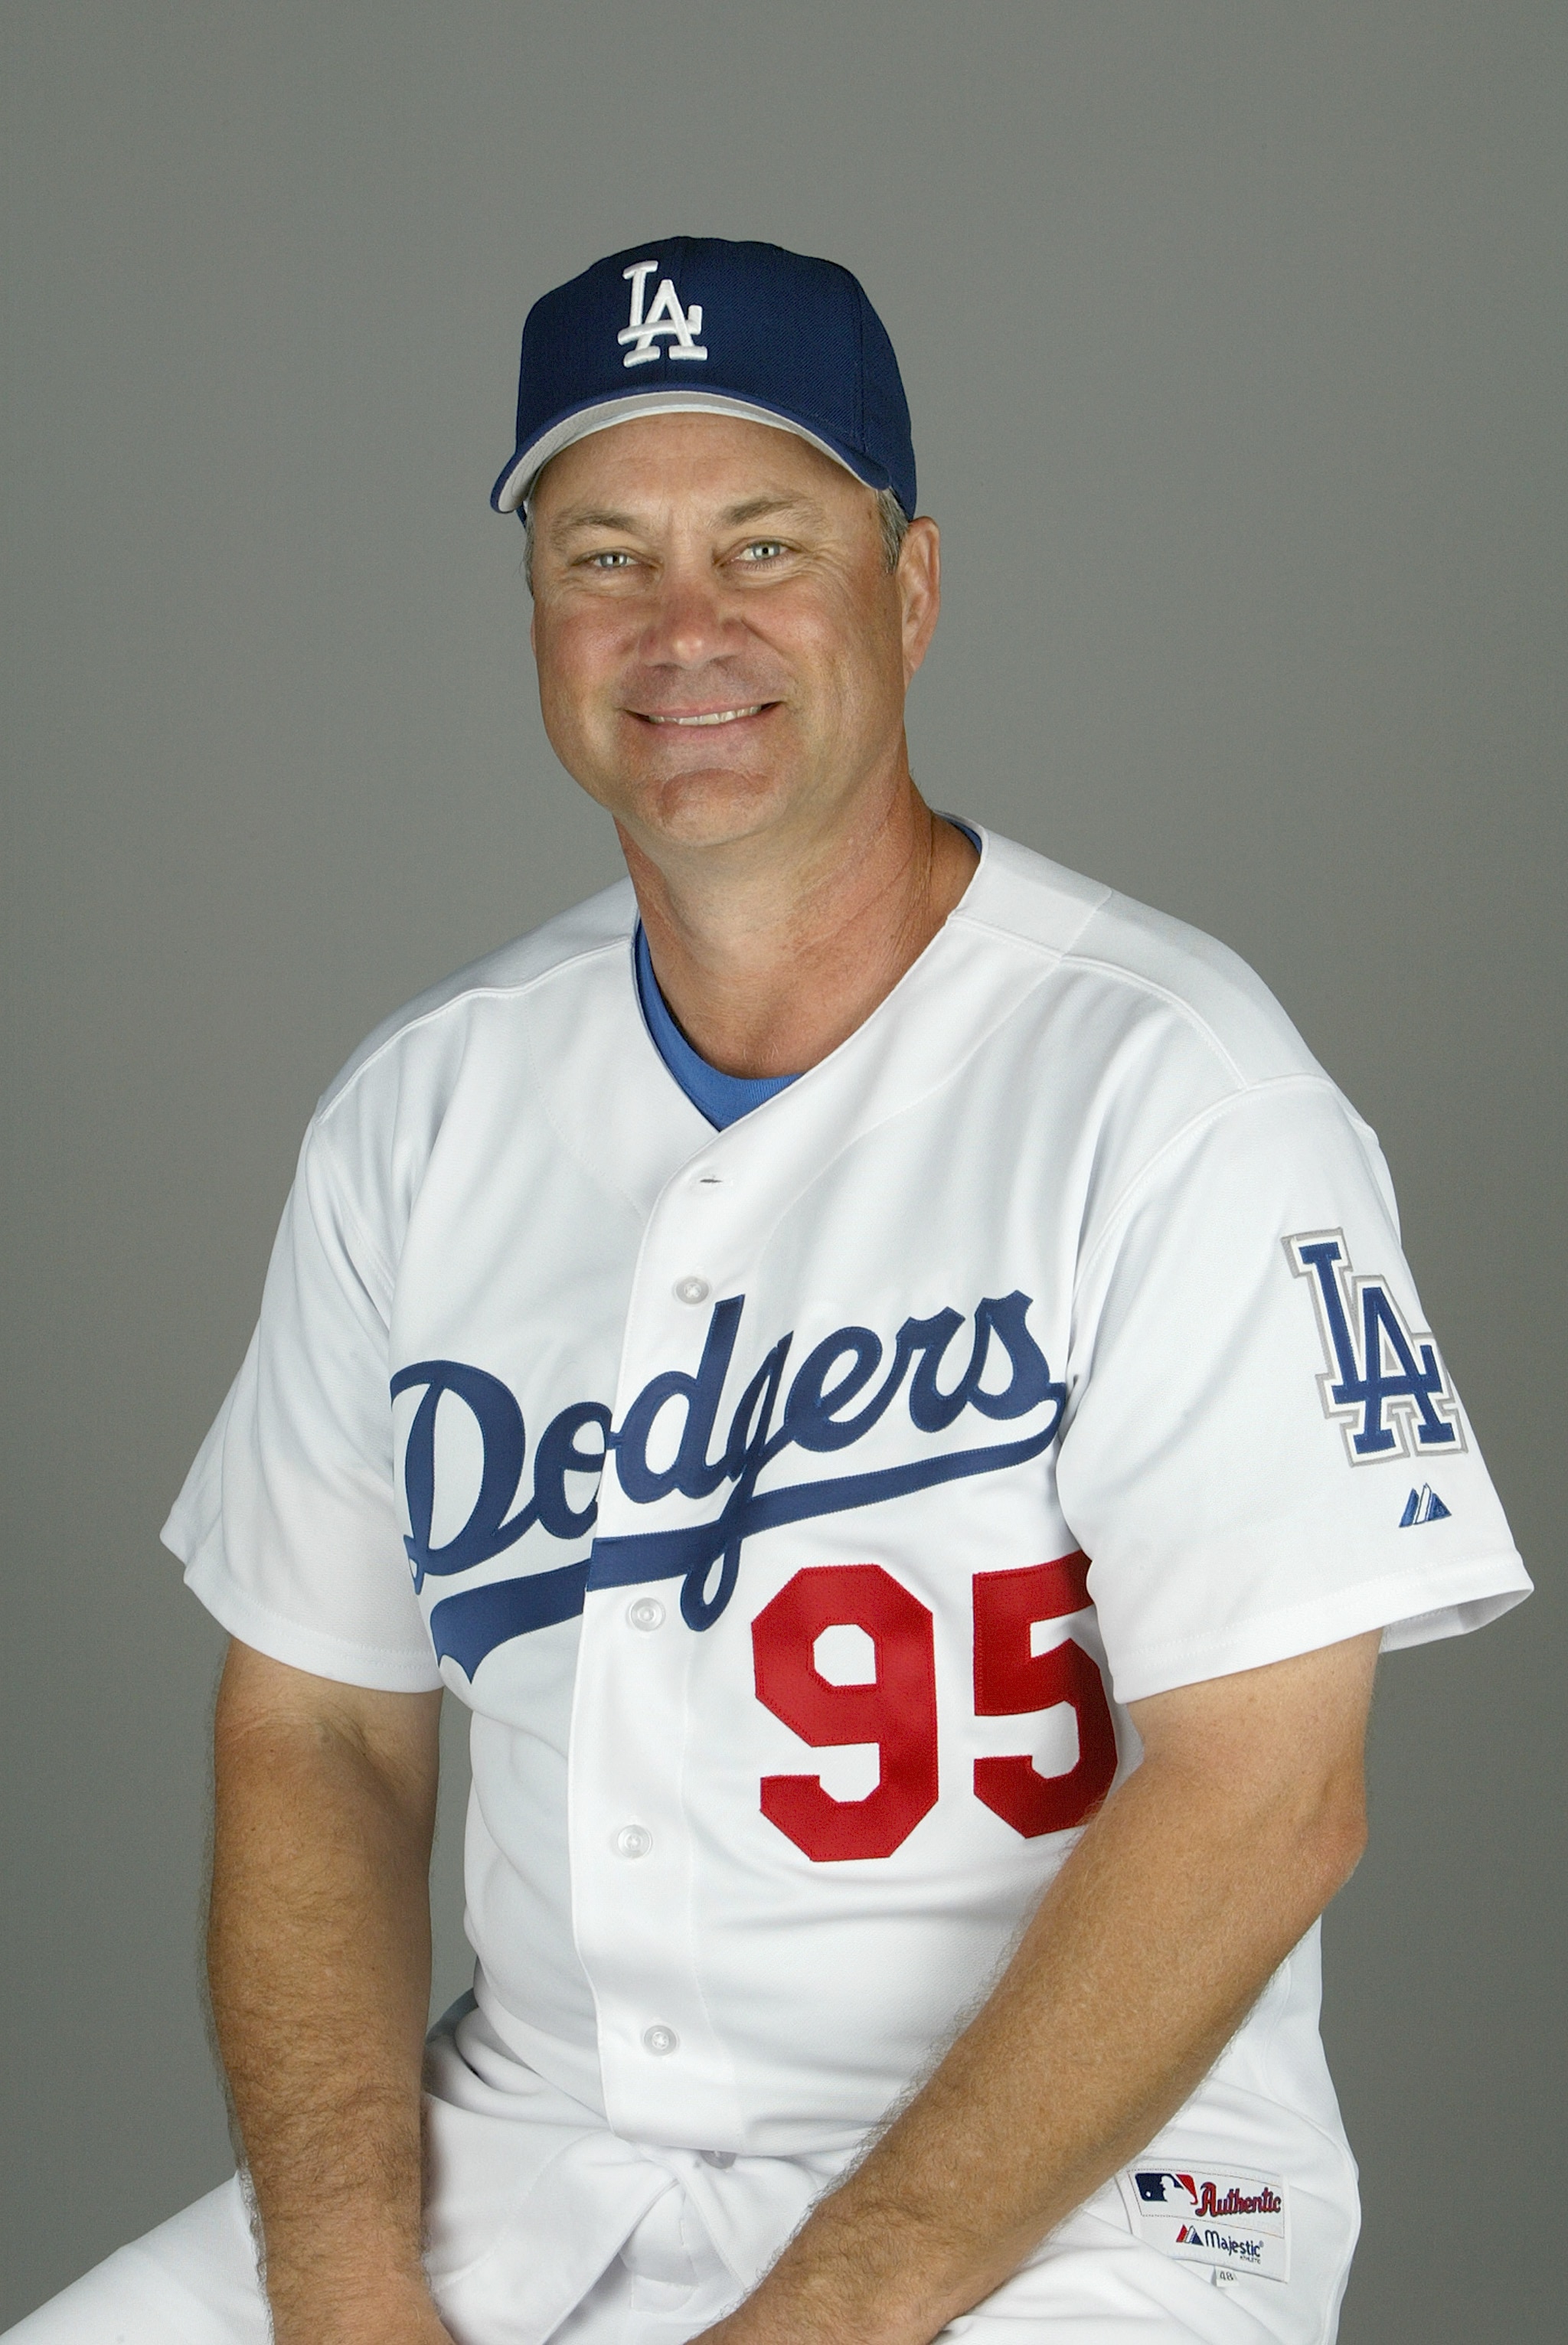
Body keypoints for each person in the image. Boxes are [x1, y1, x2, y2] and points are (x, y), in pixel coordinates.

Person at [8, 237, 1528, 2345]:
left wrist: (825, 2318)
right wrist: (344, 2280)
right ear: (537, 622)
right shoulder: (425, 1109)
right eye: (604, 557)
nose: (682, 627)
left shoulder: (1176, 1087)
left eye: (762, 544)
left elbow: (1269, 1797)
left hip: (1094, 2206)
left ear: (910, 589)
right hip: (526, 2150)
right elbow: (320, 1728)